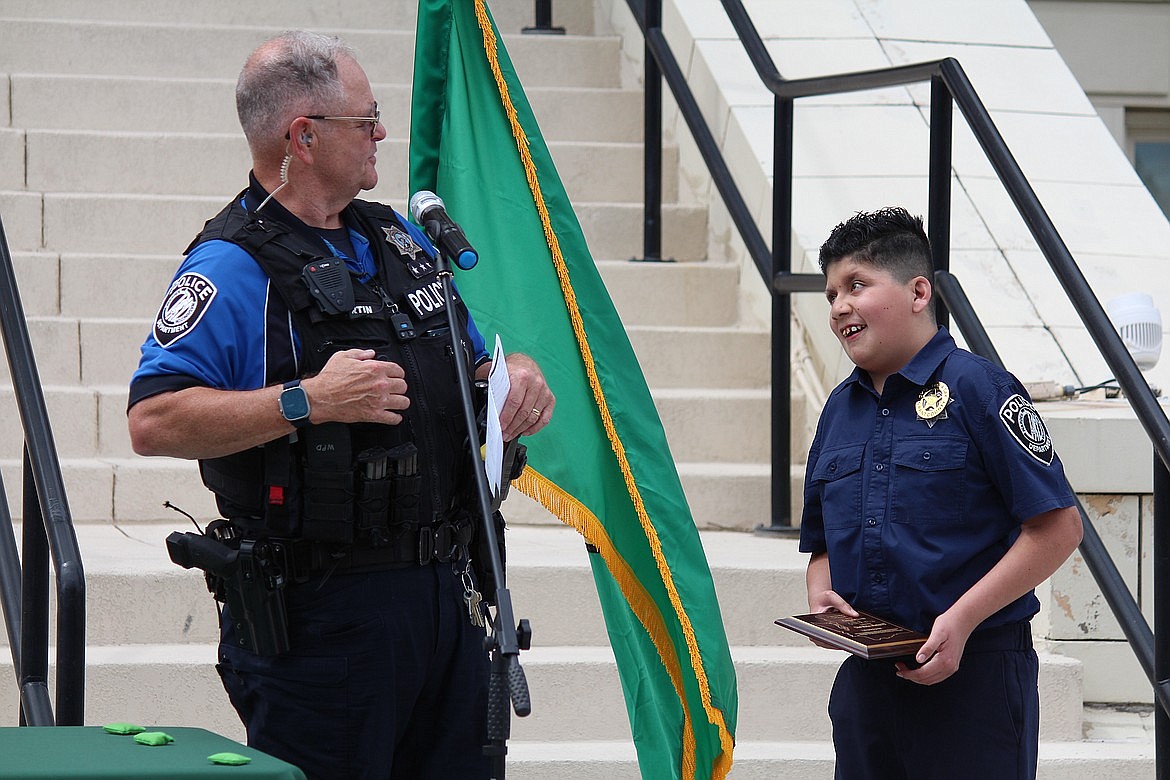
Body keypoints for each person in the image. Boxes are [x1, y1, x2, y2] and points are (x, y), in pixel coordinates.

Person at [127, 30, 554, 780]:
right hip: (323, 621)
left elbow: (477, 358)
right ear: (304, 134)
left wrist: (514, 373)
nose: (382, 133)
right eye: (366, 121)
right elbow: (153, 419)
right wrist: (306, 401)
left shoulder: (397, 239)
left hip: (448, 596)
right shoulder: (232, 264)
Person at [798, 207, 1083, 779]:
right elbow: (822, 542)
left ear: (918, 291)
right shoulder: (838, 410)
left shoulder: (980, 387)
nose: (840, 307)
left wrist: (962, 620)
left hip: (974, 675)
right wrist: (821, 589)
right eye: (831, 294)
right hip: (869, 680)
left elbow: (1058, 529)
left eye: (857, 285)